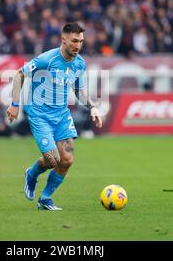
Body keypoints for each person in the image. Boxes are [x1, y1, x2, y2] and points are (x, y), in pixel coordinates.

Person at [7, 22, 102, 210]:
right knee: (52, 159)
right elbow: (19, 75)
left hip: (61, 115)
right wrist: (15, 104)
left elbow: (79, 90)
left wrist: (92, 106)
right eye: (74, 40)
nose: (78, 45)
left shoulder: (79, 63)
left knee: (67, 160)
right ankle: (32, 174)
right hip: (39, 115)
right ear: (63, 39)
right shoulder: (47, 59)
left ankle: (45, 199)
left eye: (81, 41)